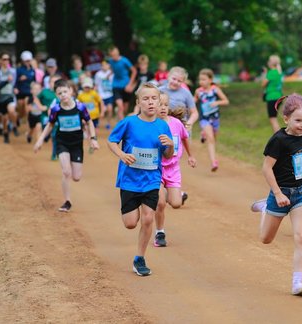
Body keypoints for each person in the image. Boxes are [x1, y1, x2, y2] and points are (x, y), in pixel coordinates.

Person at [250, 94, 302, 296]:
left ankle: (297, 283)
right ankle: (265, 208)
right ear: (286, 119)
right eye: (298, 120)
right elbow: (267, 169)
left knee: (301, 237)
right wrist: (276, 194)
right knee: (265, 239)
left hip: (301, 194)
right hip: (280, 193)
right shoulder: (278, 140)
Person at [107, 82, 174, 276]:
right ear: (138, 102)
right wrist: (121, 154)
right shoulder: (129, 123)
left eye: (154, 98)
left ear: (159, 101)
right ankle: (131, 215)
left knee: (147, 218)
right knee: (130, 223)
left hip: (152, 179)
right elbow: (111, 141)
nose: (151, 102)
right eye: (146, 99)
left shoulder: (163, 126)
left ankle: (140, 258)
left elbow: (168, 155)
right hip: (130, 180)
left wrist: (169, 145)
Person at [33, 79, 100, 212]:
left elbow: (89, 122)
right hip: (62, 142)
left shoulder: (80, 107)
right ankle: (67, 201)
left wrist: (93, 139)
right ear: (56, 95)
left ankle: (72, 170)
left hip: (76, 144)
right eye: (59, 93)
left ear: (71, 91)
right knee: (66, 171)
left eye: (65, 91)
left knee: (76, 177)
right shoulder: (56, 109)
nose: (63, 95)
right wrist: (40, 139)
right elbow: (50, 125)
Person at [154, 94, 197, 247]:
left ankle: (168, 194)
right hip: (156, 169)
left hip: (173, 169)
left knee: (176, 203)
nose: (163, 108)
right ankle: (160, 232)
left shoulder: (176, 123)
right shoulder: (152, 124)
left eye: (166, 105)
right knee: (160, 204)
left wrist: (191, 156)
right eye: (160, 105)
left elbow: (185, 138)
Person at [193, 68, 229, 172]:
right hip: (204, 118)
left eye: (204, 79)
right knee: (211, 139)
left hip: (215, 117)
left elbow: (226, 101)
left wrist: (217, 103)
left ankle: (203, 133)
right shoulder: (198, 91)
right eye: (200, 80)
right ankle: (214, 162)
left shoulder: (215, 89)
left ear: (210, 79)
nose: (201, 82)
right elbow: (192, 102)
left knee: (214, 139)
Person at [0, 52, 18, 143]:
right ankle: (6, 133)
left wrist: (15, 88)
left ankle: (14, 125)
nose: (6, 61)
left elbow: (15, 82)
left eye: (8, 59)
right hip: (1, 97)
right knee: (4, 118)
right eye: (4, 59)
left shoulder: (13, 71)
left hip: (10, 95)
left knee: (11, 111)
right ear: (0, 60)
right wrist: (6, 81)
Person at [108, 45, 137, 120]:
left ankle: (121, 116)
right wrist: (109, 74)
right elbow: (113, 69)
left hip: (126, 86)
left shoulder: (125, 60)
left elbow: (134, 71)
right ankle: (122, 125)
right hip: (116, 85)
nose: (114, 57)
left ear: (118, 53)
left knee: (125, 108)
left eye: (115, 55)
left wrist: (130, 84)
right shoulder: (111, 61)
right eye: (112, 56)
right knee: (120, 106)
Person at [261, 55, 283, 133]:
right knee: (274, 118)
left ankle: (278, 137)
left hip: (272, 97)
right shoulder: (279, 72)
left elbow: (263, 84)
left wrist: (265, 74)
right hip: (279, 96)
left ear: (271, 63)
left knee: (273, 119)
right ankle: (279, 136)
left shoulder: (271, 72)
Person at [15, 51, 36, 123]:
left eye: (29, 60)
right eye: (26, 61)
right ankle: (19, 117)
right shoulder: (19, 70)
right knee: (21, 106)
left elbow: (34, 81)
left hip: (29, 92)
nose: (27, 62)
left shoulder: (33, 70)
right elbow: (15, 81)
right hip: (21, 92)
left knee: (26, 104)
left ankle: (28, 122)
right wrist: (18, 83)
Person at [94, 60, 114, 130]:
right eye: (103, 65)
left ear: (109, 65)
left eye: (106, 65)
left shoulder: (112, 74)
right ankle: (98, 122)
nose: (104, 66)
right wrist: (94, 93)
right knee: (102, 110)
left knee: (110, 109)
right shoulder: (98, 74)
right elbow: (96, 85)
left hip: (109, 94)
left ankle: (108, 123)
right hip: (101, 95)